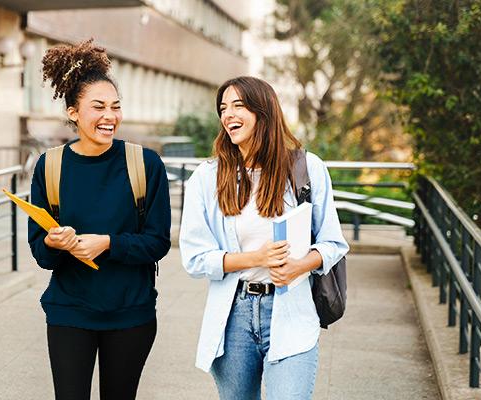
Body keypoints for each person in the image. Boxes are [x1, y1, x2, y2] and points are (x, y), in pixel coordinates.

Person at [179, 76, 349, 400]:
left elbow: (333, 243)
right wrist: (256, 259)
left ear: (264, 112)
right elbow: (195, 258)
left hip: (292, 312)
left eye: (238, 106)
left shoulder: (306, 168)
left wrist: (299, 266)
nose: (228, 114)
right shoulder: (206, 177)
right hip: (233, 318)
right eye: (223, 108)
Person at [27, 39, 171, 400]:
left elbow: (158, 241)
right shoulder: (51, 166)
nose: (110, 116)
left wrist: (107, 243)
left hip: (131, 313)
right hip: (69, 311)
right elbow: (41, 254)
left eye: (116, 107)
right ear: (74, 112)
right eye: (98, 107)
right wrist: (52, 242)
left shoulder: (145, 164)